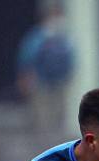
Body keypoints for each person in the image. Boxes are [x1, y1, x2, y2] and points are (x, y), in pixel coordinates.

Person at [16, 3, 74, 132]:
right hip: (42, 81)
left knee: (55, 115)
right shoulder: (39, 37)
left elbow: (25, 57)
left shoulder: (61, 37)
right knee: (43, 117)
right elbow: (26, 58)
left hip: (57, 82)